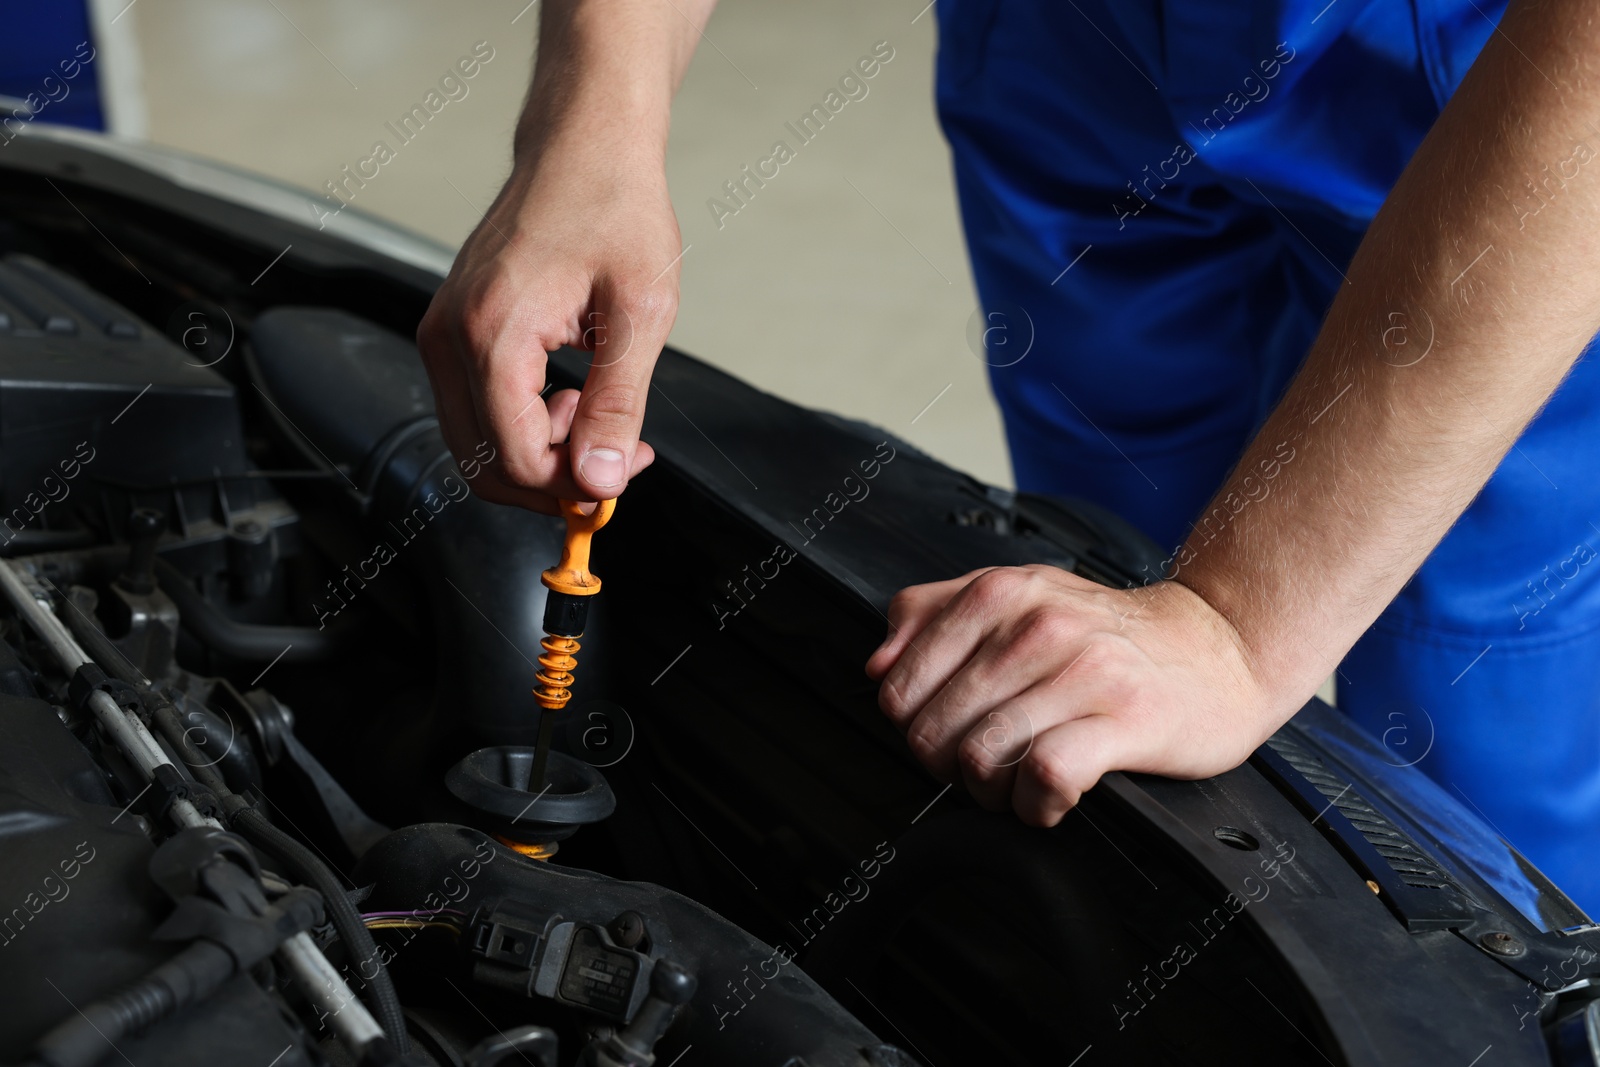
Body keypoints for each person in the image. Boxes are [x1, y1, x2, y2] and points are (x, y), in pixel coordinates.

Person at [417, 0, 1600, 912]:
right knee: (1091, 666)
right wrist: (589, 132)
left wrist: (1239, 622)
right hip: (1063, 52)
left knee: (1480, 771)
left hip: (1514, 101)